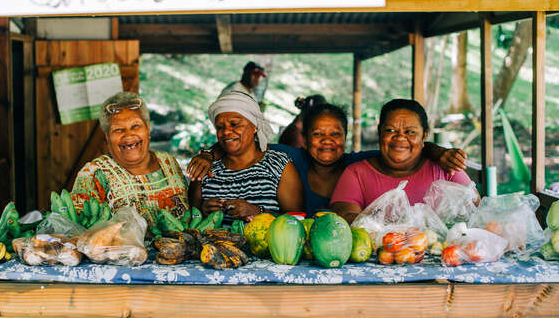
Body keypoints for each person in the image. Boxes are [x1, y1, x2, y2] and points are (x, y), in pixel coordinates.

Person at [188, 102, 467, 217]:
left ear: (346, 138)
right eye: (318, 134)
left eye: (335, 134)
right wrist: (207, 153)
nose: (327, 141)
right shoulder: (290, 157)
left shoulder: (360, 165)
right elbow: (240, 141)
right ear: (305, 140)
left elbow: (404, 148)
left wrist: (438, 152)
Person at [330, 99, 477, 224]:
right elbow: (344, 222)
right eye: (391, 130)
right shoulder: (356, 173)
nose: (400, 138)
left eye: (410, 132)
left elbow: (477, 211)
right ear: (379, 132)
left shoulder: (447, 169)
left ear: (424, 136)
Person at [71, 92, 189, 227]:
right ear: (107, 137)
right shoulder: (93, 174)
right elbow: (78, 229)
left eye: (135, 126)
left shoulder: (168, 161)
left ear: (148, 128)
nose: (128, 135)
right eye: (119, 129)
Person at [188, 91, 304, 224]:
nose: (226, 132)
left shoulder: (278, 165)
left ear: (254, 126)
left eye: (234, 124)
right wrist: (202, 212)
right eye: (220, 127)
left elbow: (297, 221)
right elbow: (190, 219)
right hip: (212, 245)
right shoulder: (206, 168)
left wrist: (258, 211)